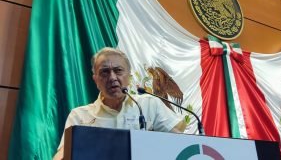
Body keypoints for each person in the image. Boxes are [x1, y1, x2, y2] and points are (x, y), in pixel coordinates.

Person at [53, 47, 186, 159]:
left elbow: (179, 145)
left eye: (118, 71)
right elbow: (64, 154)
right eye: (105, 72)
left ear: (129, 76)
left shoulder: (149, 105)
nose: (112, 77)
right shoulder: (80, 116)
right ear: (95, 80)